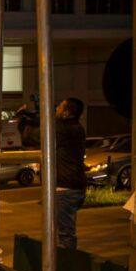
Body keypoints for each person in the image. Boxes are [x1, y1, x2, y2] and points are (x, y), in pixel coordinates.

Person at [54, 97, 87, 249]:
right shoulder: (75, 128)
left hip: (66, 187)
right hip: (73, 185)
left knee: (65, 233)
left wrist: (23, 122)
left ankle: (66, 267)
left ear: (66, 113)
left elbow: (34, 135)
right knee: (62, 231)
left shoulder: (64, 129)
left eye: (60, 106)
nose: (56, 109)